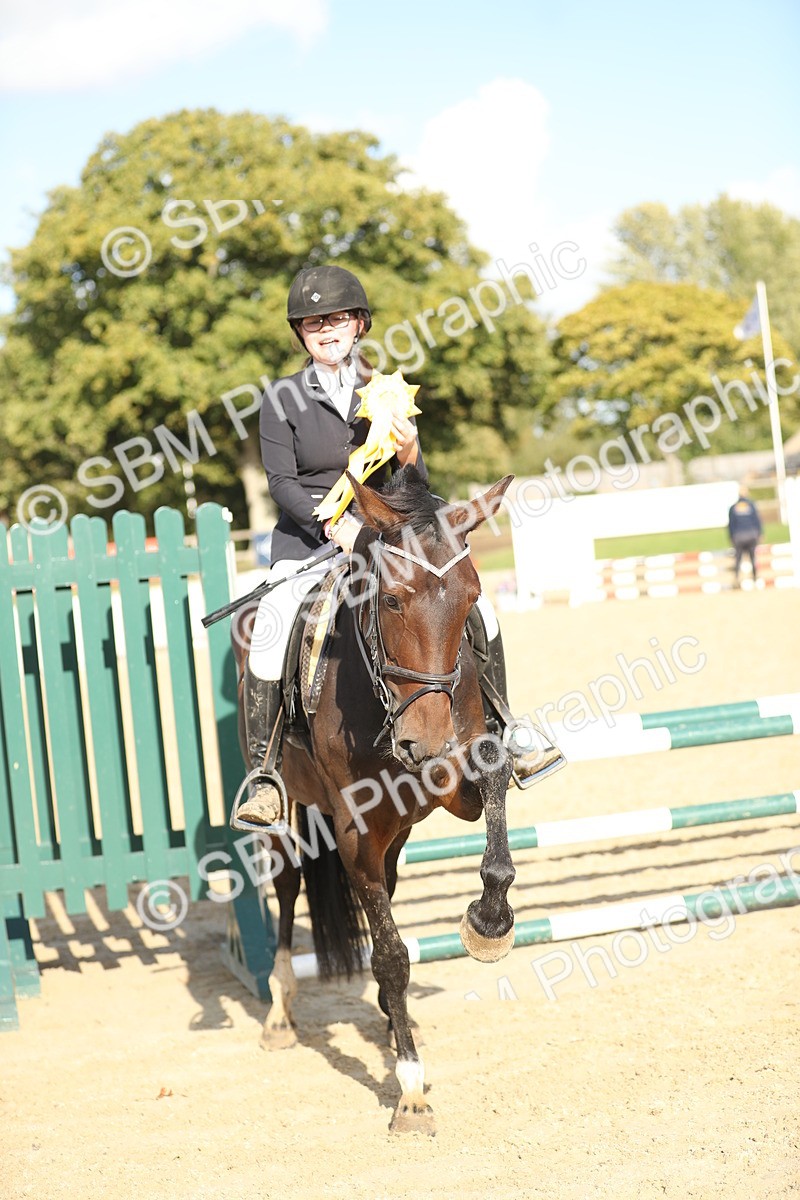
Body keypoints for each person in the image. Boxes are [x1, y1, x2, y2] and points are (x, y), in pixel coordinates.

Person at [233, 265, 564, 829]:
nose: (326, 329)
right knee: (271, 622)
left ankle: (505, 732)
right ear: (302, 334)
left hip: (389, 540)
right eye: (314, 323)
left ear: (358, 324)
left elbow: (412, 484)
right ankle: (265, 774)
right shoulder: (280, 398)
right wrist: (334, 527)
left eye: (336, 318)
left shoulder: (385, 390)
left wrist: (411, 449)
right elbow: (282, 483)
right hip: (312, 542)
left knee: (478, 605)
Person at [727, 484, 763, 587]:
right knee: (753, 557)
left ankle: (737, 578)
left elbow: (731, 525)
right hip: (751, 535)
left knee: (738, 558)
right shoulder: (751, 506)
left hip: (738, 537)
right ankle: (755, 577)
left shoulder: (733, 507)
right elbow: (757, 520)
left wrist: (731, 537)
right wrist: (760, 533)